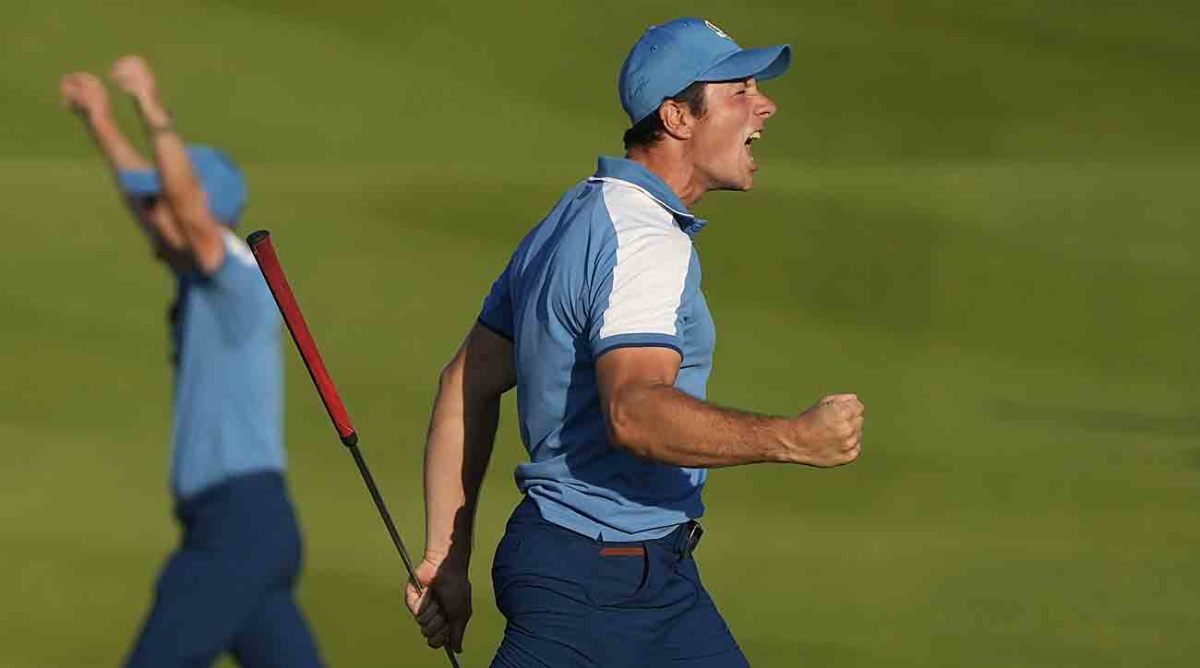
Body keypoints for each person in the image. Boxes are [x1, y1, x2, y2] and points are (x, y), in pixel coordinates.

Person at [404, 17, 865, 667]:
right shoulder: (645, 240)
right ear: (677, 115)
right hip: (598, 587)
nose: (766, 104)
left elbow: (464, 383)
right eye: (738, 91)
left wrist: (444, 557)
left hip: (640, 581)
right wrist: (792, 438)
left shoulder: (575, 214)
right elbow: (634, 412)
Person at [60, 56, 324, 668]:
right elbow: (152, 198)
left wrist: (153, 111)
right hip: (246, 528)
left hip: (235, 527)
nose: (150, 217)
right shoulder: (199, 275)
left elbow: (183, 210)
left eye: (166, 207)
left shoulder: (234, 275)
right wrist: (101, 122)